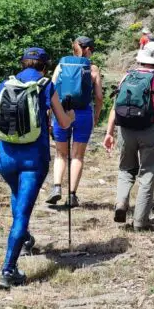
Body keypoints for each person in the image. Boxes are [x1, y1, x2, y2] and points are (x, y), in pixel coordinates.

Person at [0, 47, 74, 289]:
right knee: (22, 213)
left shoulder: (7, 84)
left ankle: (24, 238)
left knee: (17, 197)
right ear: (44, 66)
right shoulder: (46, 85)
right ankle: (8, 269)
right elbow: (63, 122)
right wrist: (72, 116)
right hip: (33, 160)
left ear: (23, 64)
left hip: (6, 157)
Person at [103, 41, 154, 230]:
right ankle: (140, 222)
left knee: (126, 168)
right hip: (150, 129)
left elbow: (114, 107)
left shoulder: (127, 76)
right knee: (148, 172)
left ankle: (121, 203)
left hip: (125, 129)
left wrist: (109, 133)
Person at [47, 37, 103, 209]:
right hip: (84, 114)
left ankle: (56, 187)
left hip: (62, 112)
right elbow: (99, 97)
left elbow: (51, 91)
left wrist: (50, 115)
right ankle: (72, 195)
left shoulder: (61, 65)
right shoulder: (92, 69)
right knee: (78, 155)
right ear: (88, 50)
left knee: (60, 154)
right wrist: (96, 115)